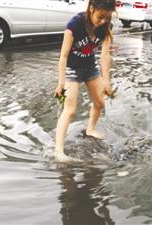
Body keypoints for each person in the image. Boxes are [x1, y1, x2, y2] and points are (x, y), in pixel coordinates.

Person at [53, 0, 116, 162]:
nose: (103, 21)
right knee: (70, 109)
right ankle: (58, 151)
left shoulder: (106, 26)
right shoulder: (75, 24)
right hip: (72, 69)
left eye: (107, 18)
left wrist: (106, 81)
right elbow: (63, 57)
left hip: (90, 68)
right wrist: (61, 83)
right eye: (100, 17)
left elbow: (105, 56)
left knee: (100, 103)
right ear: (91, 8)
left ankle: (90, 129)